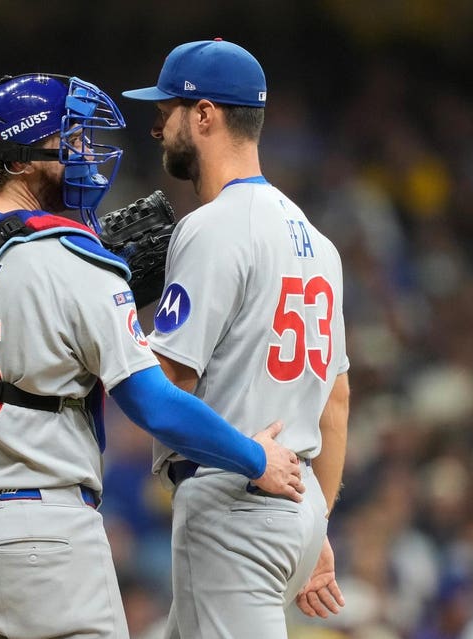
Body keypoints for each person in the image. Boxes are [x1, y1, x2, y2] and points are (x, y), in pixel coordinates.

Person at [0, 72, 304, 639]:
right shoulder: (72, 258)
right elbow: (154, 403)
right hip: (46, 540)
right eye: (74, 140)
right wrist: (254, 456)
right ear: (20, 157)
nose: (89, 155)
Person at [122, 40, 351, 638]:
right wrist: (316, 519)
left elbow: (170, 382)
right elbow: (337, 398)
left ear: (204, 115)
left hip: (234, 504)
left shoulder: (213, 227)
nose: (156, 127)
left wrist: (97, 311)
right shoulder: (318, 243)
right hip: (291, 505)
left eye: (165, 110)